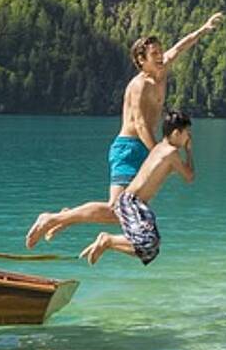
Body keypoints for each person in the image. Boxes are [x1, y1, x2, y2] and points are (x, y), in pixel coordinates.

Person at [25, 12, 223, 248]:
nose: (161, 56)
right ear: (141, 60)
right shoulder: (138, 85)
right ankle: (53, 218)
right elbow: (139, 124)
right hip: (129, 148)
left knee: (122, 212)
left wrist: (204, 28)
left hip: (143, 148)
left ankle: (65, 217)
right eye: (154, 54)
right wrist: (157, 154)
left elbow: (181, 47)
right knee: (116, 210)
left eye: (161, 52)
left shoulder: (162, 69)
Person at [80, 110, 193, 265]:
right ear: (176, 133)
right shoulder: (171, 153)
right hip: (131, 201)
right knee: (147, 243)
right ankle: (107, 240)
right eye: (187, 133)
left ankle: (109, 242)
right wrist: (188, 151)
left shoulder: (159, 148)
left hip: (136, 203)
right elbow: (189, 177)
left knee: (151, 249)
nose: (189, 137)